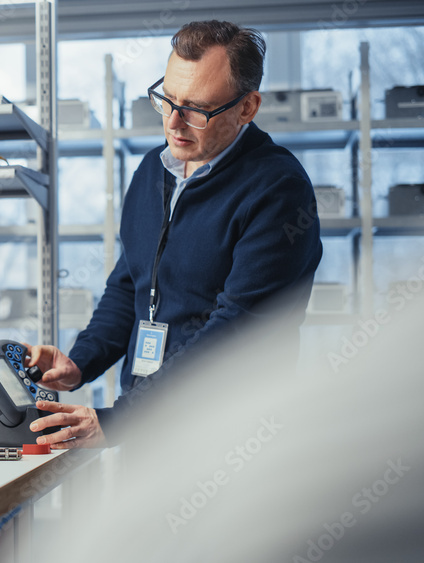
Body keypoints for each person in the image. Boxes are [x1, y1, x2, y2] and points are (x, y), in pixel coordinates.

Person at [27, 20, 323, 448]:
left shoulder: (279, 189)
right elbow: (130, 282)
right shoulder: (153, 170)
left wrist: (121, 419)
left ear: (247, 107)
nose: (175, 123)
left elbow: (236, 331)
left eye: (198, 109)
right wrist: (80, 363)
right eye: (167, 100)